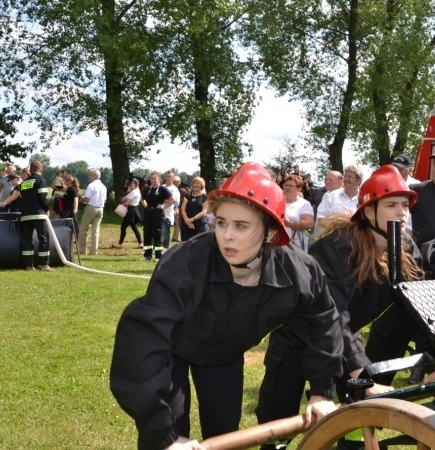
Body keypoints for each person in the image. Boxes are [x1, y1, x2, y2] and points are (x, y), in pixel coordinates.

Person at [110, 162, 343, 449]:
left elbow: (323, 321)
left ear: (271, 232)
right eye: (221, 222)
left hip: (224, 357)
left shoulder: (299, 271)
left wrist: (321, 391)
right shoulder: (184, 263)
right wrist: (166, 438)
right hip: (171, 353)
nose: (227, 235)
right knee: (169, 434)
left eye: (241, 225)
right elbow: (142, 346)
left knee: (224, 434)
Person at [309, 164, 431, 398]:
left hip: (344, 333)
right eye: (391, 205)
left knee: (356, 400)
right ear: (368, 212)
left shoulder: (405, 246)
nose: (402, 212)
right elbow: (331, 315)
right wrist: (361, 374)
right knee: (281, 415)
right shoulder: (339, 247)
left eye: (405, 205)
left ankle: (357, 421)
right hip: (305, 336)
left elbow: (421, 307)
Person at [0, 160, 51, 270]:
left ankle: (28, 265)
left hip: (25, 215)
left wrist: (4, 202)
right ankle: (43, 264)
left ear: (30, 170)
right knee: (43, 238)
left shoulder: (24, 183)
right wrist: (46, 209)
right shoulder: (40, 180)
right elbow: (42, 198)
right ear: (41, 170)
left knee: (27, 239)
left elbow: (17, 195)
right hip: (38, 214)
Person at [314, 166, 363, 233]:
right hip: (334, 240)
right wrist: (337, 225)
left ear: (359, 181)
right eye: (345, 176)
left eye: (350, 177)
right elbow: (320, 219)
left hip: (357, 239)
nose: (346, 179)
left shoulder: (364, 198)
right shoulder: (331, 196)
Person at [141, 172, 174, 262]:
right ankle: (147, 255)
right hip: (148, 213)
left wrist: (163, 206)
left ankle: (158, 256)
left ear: (159, 179)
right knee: (147, 233)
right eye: (151, 178)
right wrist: (145, 205)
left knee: (157, 234)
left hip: (158, 214)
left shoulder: (162, 189)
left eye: (155, 179)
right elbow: (142, 198)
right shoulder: (147, 189)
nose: (153, 180)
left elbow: (172, 200)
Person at [78, 168, 107, 255]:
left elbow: (87, 199)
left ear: (94, 176)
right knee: (96, 231)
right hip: (101, 208)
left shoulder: (91, 186)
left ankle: (82, 250)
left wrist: (81, 199)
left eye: (90, 175)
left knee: (83, 229)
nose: (89, 177)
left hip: (91, 207)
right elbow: (105, 200)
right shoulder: (103, 186)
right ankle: (94, 251)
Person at [282, 174, 314, 251]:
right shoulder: (279, 201)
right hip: (278, 244)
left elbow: (309, 223)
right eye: (286, 185)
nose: (287, 188)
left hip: (296, 247)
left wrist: (288, 223)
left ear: (299, 189)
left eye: (290, 186)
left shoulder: (304, 204)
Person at [179, 176, 209, 242]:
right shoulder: (188, 195)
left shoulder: (205, 197)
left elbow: (203, 212)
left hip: (199, 225)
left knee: (199, 246)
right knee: (186, 245)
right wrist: (187, 221)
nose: (196, 185)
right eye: (194, 183)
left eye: (198, 183)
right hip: (186, 225)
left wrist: (192, 219)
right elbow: (182, 208)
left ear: (201, 185)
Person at [115, 178, 143, 249]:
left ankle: (120, 244)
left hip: (131, 211)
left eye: (134, 183)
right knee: (134, 227)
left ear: (137, 184)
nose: (131, 184)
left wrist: (128, 191)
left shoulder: (133, 192)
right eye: (131, 183)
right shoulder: (138, 191)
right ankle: (140, 243)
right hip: (134, 210)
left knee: (123, 227)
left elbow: (123, 200)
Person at [162, 171, 181, 249]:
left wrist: (162, 200)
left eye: (169, 176)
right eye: (166, 176)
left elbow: (175, 201)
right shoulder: (162, 187)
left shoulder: (174, 189)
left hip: (168, 214)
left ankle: (165, 249)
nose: (167, 177)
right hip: (159, 213)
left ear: (173, 178)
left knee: (166, 233)